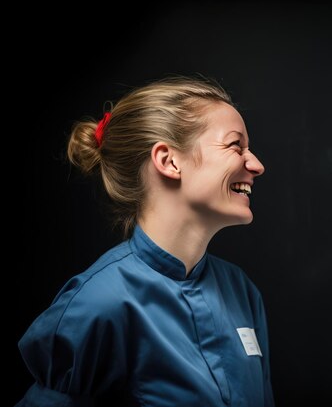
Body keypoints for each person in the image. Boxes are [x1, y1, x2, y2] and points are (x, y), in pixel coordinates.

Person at [16, 75, 275, 406]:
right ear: (169, 161)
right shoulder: (97, 303)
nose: (256, 164)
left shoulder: (242, 292)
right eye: (235, 146)